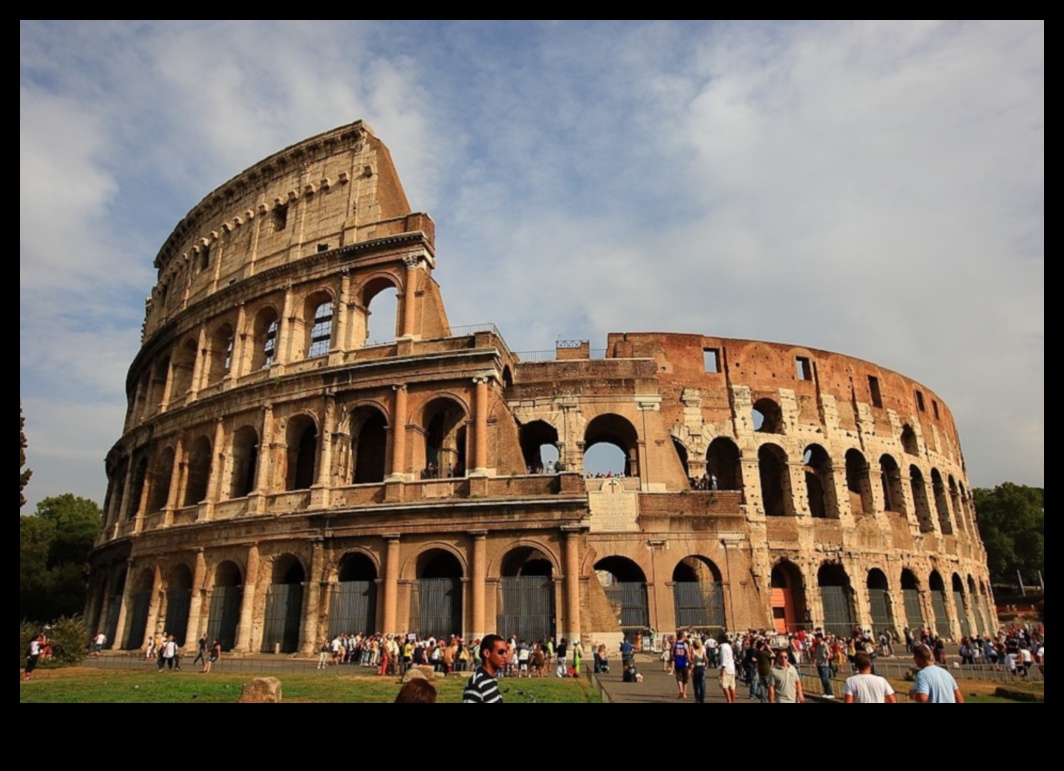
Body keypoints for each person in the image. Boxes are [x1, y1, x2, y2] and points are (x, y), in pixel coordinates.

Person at [463, 635, 508, 704]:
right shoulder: (476, 684)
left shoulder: (491, 678)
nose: (505, 656)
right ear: (487, 653)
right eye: (501, 652)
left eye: (506, 652)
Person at [813, 633, 835, 699]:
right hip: (819, 664)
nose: (817, 639)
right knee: (822, 679)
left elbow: (829, 654)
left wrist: (827, 657)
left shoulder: (824, 644)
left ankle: (830, 693)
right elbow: (816, 655)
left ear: (821, 638)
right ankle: (826, 692)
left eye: (818, 638)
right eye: (816, 638)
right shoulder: (817, 646)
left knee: (825, 679)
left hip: (824, 664)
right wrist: (814, 663)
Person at [718, 635, 737, 704]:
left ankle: (729, 700)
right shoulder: (728, 646)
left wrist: (722, 670)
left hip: (726, 668)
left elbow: (724, 660)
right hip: (731, 667)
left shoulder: (723, 647)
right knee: (732, 686)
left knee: (724, 685)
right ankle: (733, 701)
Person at [672, 633, 692, 700]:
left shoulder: (675, 644)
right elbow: (688, 654)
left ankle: (680, 690)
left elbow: (672, 652)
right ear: (682, 637)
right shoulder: (685, 644)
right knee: (685, 679)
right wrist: (690, 661)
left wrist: (673, 658)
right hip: (684, 662)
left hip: (677, 662)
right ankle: (684, 693)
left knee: (679, 677)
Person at [690, 637, 708, 704]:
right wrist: (706, 666)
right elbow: (706, 659)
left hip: (695, 668)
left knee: (695, 684)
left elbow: (693, 661)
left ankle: (697, 698)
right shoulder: (702, 650)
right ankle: (702, 698)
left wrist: (691, 670)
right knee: (702, 684)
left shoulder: (693, 651)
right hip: (701, 667)